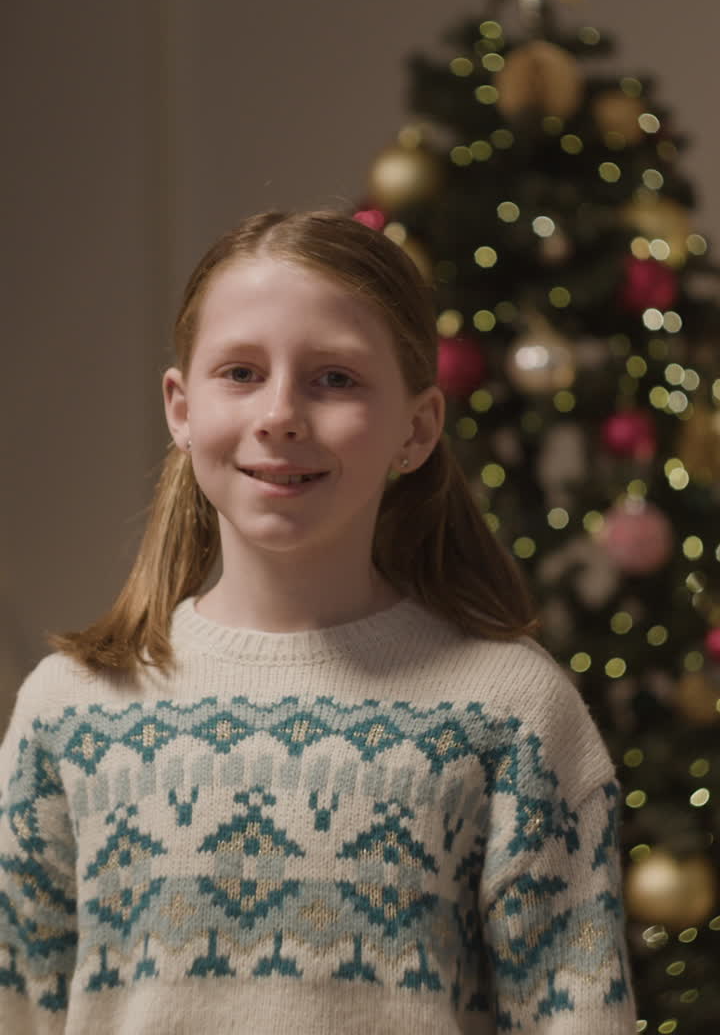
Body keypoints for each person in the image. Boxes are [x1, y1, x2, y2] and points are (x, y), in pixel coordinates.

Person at [0, 209, 636, 1033]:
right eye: (241, 372)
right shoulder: (70, 710)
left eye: (334, 378)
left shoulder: (514, 713)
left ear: (417, 429)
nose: (281, 414)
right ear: (181, 409)